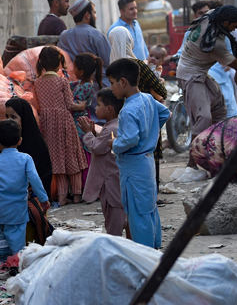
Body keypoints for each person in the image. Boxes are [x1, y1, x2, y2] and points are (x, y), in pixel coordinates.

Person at [176, 5, 237, 169]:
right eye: (232, 26)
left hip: (200, 72)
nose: (234, 29)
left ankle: (217, 153)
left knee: (220, 109)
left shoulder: (212, 16)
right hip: (190, 75)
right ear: (225, 23)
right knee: (204, 117)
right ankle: (192, 163)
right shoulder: (214, 44)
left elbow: (236, 23)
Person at [107, 59, 170, 248]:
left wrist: (114, 143)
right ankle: (154, 243)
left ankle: (144, 250)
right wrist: (150, 134)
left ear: (123, 82)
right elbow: (165, 113)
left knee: (136, 210)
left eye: (112, 83)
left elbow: (130, 139)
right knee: (148, 207)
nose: (111, 88)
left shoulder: (127, 110)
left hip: (134, 165)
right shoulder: (147, 98)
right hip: (147, 161)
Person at [0, 120, 49, 258]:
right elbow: (35, 180)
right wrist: (43, 198)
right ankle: (16, 258)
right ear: (20, 141)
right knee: (16, 233)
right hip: (16, 207)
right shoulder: (26, 159)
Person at [34, 46, 88, 206]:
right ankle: (77, 195)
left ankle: (62, 197)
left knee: (56, 160)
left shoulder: (37, 83)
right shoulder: (62, 81)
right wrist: (82, 106)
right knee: (72, 157)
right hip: (64, 121)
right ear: (59, 64)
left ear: (41, 64)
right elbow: (70, 104)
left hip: (47, 123)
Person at [78, 88, 129, 238]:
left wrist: (87, 133)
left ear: (109, 108)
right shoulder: (115, 124)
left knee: (114, 226)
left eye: (98, 104)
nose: (95, 108)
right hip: (116, 181)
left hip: (111, 183)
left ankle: (116, 255)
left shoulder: (111, 128)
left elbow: (96, 147)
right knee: (124, 219)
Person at [57, 0, 111, 88]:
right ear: (87, 15)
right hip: (100, 88)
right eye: (94, 13)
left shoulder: (64, 35)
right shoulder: (95, 34)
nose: (96, 17)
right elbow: (109, 61)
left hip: (77, 88)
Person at [4, 97, 53, 195]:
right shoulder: (5, 141)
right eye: (7, 117)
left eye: (13, 117)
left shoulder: (37, 143)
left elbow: (43, 176)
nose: (9, 121)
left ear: (24, 117)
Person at [71, 52, 103, 186]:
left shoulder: (87, 86)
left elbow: (81, 105)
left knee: (83, 151)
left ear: (82, 71)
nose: (73, 70)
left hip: (80, 121)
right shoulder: (80, 83)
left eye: (75, 68)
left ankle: (87, 184)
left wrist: (67, 103)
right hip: (79, 120)